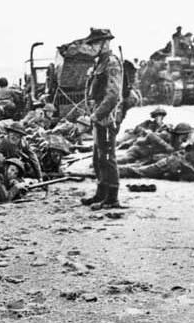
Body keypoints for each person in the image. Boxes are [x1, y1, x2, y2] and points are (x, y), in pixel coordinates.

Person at [80, 28, 123, 210]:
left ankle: (112, 198)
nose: (91, 47)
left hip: (106, 118)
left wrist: (96, 115)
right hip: (99, 117)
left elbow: (113, 95)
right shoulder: (101, 63)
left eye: (95, 43)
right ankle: (101, 193)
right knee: (98, 158)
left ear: (105, 43)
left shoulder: (111, 63)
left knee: (106, 157)